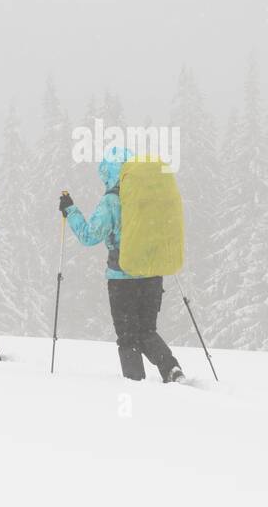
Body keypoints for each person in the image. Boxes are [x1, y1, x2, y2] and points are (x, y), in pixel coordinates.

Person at [60, 147, 185, 383]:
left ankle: (134, 383)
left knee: (128, 336)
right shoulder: (149, 196)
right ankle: (171, 369)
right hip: (152, 275)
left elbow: (89, 236)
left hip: (122, 278)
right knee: (147, 330)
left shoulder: (111, 201)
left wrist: (71, 210)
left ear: (108, 173)